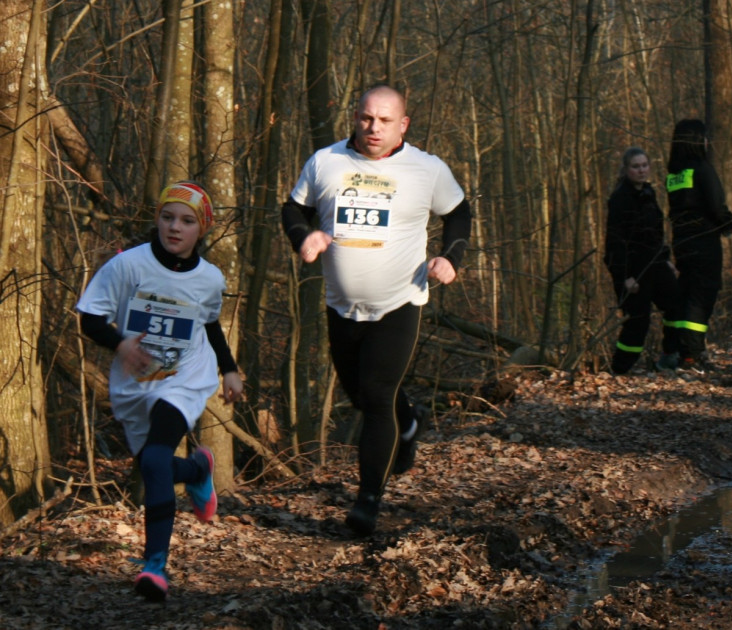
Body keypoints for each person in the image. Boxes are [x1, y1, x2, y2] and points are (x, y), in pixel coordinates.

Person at [281, 84, 472, 536]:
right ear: (356, 117)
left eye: (385, 121)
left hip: (399, 301)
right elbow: (294, 208)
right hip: (341, 306)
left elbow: (459, 213)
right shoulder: (326, 162)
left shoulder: (427, 169)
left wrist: (451, 258)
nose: (374, 128)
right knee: (362, 396)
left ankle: (367, 501)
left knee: (377, 395)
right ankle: (410, 422)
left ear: (402, 125)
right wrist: (302, 238)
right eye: (367, 118)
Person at [77, 182, 243, 601]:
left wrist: (229, 370)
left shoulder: (210, 278)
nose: (175, 227)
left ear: (200, 230)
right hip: (135, 381)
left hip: (186, 375)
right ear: (157, 219)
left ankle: (154, 567)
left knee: (154, 458)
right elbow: (90, 319)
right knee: (154, 466)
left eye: (187, 221)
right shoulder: (127, 266)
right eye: (168, 217)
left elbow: (208, 324)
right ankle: (196, 471)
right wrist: (121, 344)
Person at [604, 147, 686, 373]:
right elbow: (615, 243)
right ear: (626, 169)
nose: (641, 171)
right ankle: (619, 370)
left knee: (676, 305)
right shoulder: (619, 199)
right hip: (633, 272)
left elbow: (655, 233)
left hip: (656, 266)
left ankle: (670, 355)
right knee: (637, 322)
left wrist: (665, 259)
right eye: (635, 166)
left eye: (644, 166)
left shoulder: (650, 193)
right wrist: (624, 277)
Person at [665, 119, 732, 371]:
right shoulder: (702, 169)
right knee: (702, 296)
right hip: (704, 242)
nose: (707, 142)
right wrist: (728, 224)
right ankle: (691, 355)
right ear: (697, 141)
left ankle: (678, 350)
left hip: (682, 243)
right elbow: (716, 205)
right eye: (704, 137)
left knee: (686, 294)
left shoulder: (674, 173)